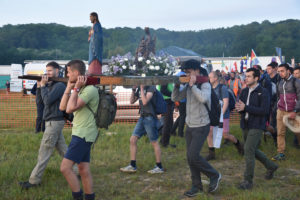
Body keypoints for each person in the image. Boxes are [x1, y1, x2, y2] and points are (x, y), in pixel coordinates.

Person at [19, 61, 76, 189]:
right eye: (46, 71)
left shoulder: (60, 86)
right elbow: (41, 102)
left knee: (44, 152)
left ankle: (34, 181)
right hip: (51, 121)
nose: (47, 73)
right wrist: (40, 87)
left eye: (50, 71)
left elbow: (48, 101)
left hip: (55, 122)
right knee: (64, 150)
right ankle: (77, 171)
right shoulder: (49, 85)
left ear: (57, 71)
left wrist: (44, 87)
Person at [172, 59, 221, 197]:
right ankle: (196, 186)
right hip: (190, 125)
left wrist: (192, 85)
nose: (186, 74)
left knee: (193, 155)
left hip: (201, 125)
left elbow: (203, 98)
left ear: (196, 70)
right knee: (190, 157)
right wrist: (176, 86)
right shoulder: (188, 84)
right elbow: (175, 97)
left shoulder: (205, 84)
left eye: (188, 71)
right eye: (185, 72)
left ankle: (214, 175)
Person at [59, 60, 99, 200]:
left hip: (84, 134)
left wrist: (75, 89)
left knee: (65, 168)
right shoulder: (81, 88)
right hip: (81, 133)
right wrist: (69, 87)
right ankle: (89, 197)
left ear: (76, 73)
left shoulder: (90, 90)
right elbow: (62, 107)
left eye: (68, 72)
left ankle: (78, 197)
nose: (67, 75)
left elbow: (70, 108)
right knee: (83, 169)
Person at [235, 68, 278, 190]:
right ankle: (271, 166)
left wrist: (246, 108)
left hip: (257, 125)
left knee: (248, 149)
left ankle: (248, 181)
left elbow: (264, 111)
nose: (246, 78)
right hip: (245, 124)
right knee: (252, 150)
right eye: (246, 76)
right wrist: (239, 108)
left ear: (256, 78)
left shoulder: (263, 92)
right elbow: (241, 107)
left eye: (249, 76)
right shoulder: (244, 91)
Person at [120, 84, 164, 174]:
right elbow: (131, 101)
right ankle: (132, 165)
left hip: (150, 118)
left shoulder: (151, 88)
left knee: (154, 142)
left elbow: (144, 102)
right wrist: (133, 90)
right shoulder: (140, 89)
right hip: (142, 117)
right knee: (133, 140)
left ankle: (159, 167)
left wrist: (141, 88)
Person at [206, 71, 243, 161]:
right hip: (212, 114)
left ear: (215, 78)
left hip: (223, 115)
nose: (208, 79)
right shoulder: (209, 88)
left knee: (225, 135)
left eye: (210, 77)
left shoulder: (223, 88)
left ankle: (238, 144)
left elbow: (226, 102)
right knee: (209, 132)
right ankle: (211, 153)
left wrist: (220, 115)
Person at [272, 63, 300, 161]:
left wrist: (295, 111)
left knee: (298, 132)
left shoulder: (296, 81)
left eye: (282, 71)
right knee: (280, 133)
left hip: (293, 112)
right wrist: (276, 109)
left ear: (288, 70)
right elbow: (278, 97)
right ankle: (281, 153)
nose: (280, 73)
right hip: (281, 110)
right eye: (279, 71)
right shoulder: (279, 82)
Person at [266, 62, 280, 145]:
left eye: (269, 68)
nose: (267, 70)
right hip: (269, 101)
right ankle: (273, 134)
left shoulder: (278, 78)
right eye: (267, 69)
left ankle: (277, 137)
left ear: (274, 69)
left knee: (275, 118)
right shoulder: (267, 79)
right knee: (270, 118)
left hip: (278, 100)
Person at [158, 83, 175, 147]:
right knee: (167, 123)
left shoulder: (166, 77)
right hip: (166, 102)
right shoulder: (165, 78)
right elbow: (163, 90)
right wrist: (174, 95)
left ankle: (163, 141)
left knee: (169, 123)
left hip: (168, 101)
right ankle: (164, 143)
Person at [171, 71, 187, 137]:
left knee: (182, 115)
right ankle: (180, 133)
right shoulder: (185, 74)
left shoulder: (177, 74)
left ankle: (173, 130)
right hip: (184, 99)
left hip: (178, 98)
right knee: (183, 116)